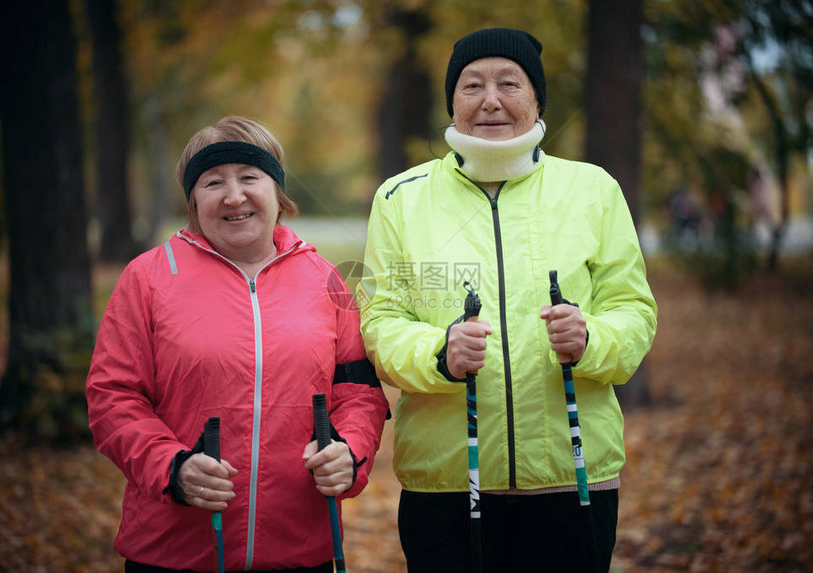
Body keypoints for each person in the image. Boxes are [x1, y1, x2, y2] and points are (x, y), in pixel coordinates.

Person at [359, 28, 657, 573]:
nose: (490, 99)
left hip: (573, 478)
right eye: (472, 85)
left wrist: (590, 338)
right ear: (452, 101)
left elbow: (634, 313)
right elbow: (381, 321)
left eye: (509, 83)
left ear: (537, 98)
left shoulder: (593, 190)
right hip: (446, 486)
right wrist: (438, 354)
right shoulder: (400, 199)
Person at [87, 116, 389, 573]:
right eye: (213, 182)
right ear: (192, 200)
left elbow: (359, 391)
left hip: (301, 549)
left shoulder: (325, 279)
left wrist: (349, 452)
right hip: (174, 550)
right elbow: (112, 397)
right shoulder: (147, 278)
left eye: (250, 177)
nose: (234, 196)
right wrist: (172, 468)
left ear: (277, 191)